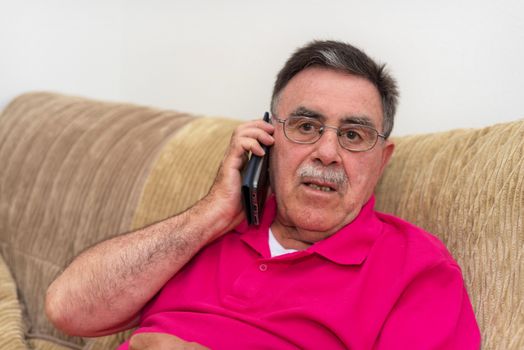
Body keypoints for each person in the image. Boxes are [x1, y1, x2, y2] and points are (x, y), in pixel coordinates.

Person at [45, 40, 481, 349]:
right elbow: (69, 310)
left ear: (381, 160)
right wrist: (209, 215)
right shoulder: (210, 230)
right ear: (269, 138)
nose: (327, 153)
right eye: (306, 127)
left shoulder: (417, 268)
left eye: (352, 134)